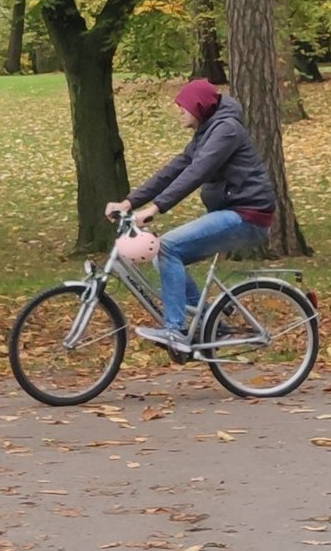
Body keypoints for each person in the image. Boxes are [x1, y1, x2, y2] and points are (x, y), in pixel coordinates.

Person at [104, 79, 275, 352]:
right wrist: (129, 202)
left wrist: (154, 208)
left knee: (167, 248)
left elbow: (197, 173)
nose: (179, 112)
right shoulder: (207, 132)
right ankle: (211, 321)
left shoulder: (226, 130)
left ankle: (176, 330)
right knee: (165, 257)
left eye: (183, 106)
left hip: (247, 215)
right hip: (233, 212)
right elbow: (175, 169)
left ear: (199, 106)